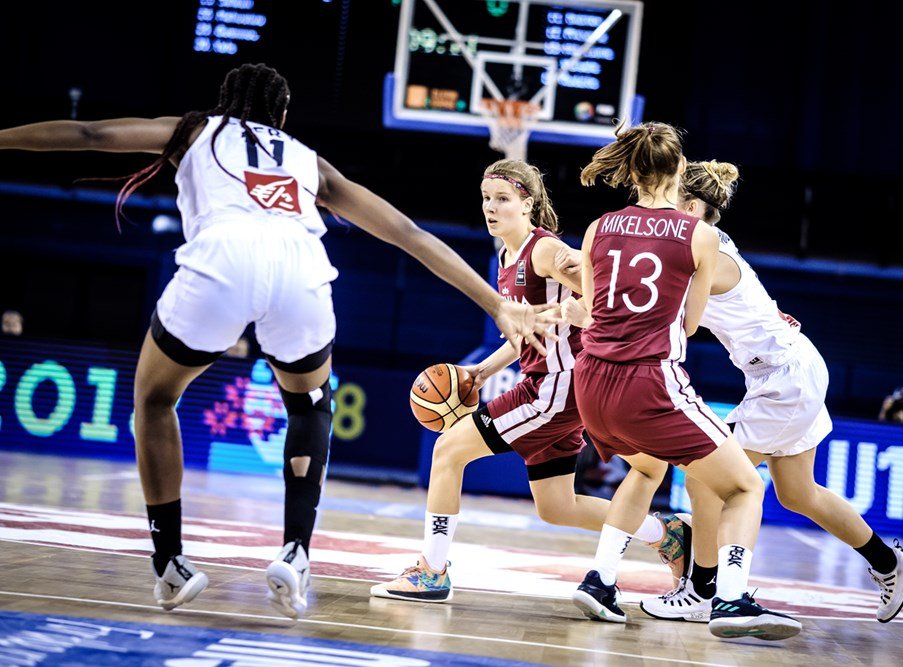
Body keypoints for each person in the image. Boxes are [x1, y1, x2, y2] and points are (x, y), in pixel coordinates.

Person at [0, 63, 555, 620]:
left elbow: (89, 133)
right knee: (311, 406)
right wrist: (496, 303)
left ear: (223, 102)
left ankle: (170, 563)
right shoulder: (306, 159)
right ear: (283, 115)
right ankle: (295, 552)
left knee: (155, 398)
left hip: (222, 259)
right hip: (300, 269)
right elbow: (406, 233)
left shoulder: (194, 129)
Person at [370, 158, 686, 603]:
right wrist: (482, 371)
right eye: (486, 198)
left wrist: (583, 302)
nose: (490, 207)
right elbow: (527, 332)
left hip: (556, 387)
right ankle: (667, 534)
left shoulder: (544, 250)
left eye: (502, 199)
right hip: (552, 385)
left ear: (528, 204)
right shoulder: (506, 256)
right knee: (557, 506)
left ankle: (431, 572)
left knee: (448, 450)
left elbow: (607, 290)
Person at [637, 160, 903, 625]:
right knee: (798, 493)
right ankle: (893, 563)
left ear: (690, 208)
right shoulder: (707, 245)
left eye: (668, 200)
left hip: (785, 379)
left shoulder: (706, 254)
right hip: (790, 369)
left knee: (705, 478)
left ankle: (703, 591)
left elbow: (650, 303)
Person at [560, 123, 801, 640]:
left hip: (591, 381)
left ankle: (600, 580)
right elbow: (689, 324)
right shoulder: (700, 235)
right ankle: (729, 599)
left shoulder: (599, 227)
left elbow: (591, 309)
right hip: (648, 382)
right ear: (678, 170)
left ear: (632, 171)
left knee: (646, 469)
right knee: (743, 486)